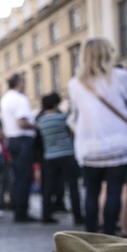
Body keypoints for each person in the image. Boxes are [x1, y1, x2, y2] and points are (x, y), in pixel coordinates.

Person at [67, 37, 127, 236]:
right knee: (114, 192)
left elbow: (74, 114)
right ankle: (109, 235)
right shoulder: (119, 77)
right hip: (118, 144)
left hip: (88, 146)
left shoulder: (75, 84)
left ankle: (90, 236)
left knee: (91, 193)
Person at [36, 93, 84, 226]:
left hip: (50, 156)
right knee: (73, 186)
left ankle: (46, 215)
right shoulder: (63, 118)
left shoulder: (41, 121)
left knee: (48, 187)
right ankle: (78, 216)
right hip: (67, 154)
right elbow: (73, 133)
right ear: (56, 104)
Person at [0, 73, 38, 223]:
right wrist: (35, 126)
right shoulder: (19, 99)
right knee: (24, 177)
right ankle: (21, 211)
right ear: (19, 83)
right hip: (22, 139)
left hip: (12, 139)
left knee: (17, 176)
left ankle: (18, 208)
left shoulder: (5, 98)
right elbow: (21, 122)